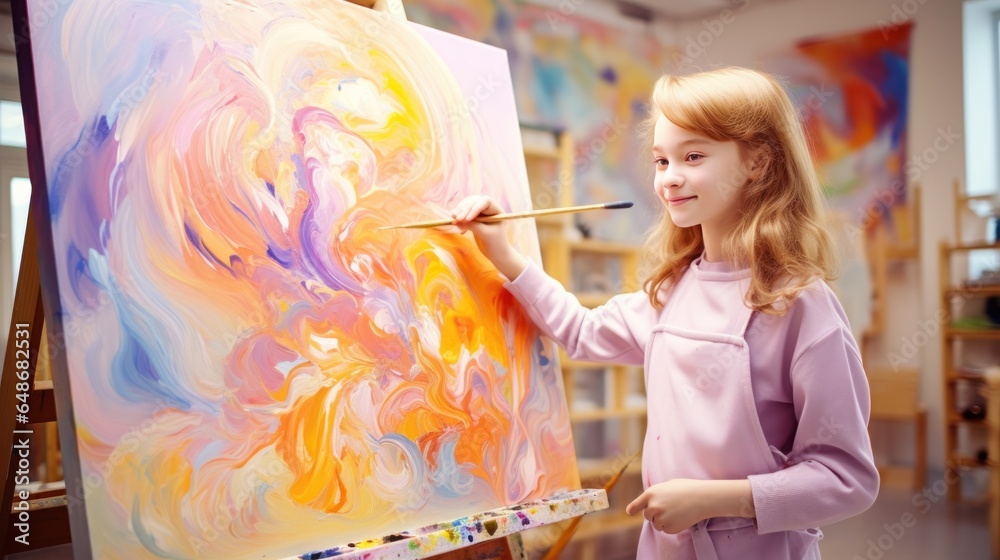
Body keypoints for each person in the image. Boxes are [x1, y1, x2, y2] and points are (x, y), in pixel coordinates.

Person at [450, 67, 879, 559]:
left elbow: (847, 478)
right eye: (660, 160)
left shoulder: (802, 305)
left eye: (693, 156)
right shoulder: (673, 291)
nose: (669, 179)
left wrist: (719, 500)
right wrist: (503, 252)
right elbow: (581, 330)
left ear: (757, 162)